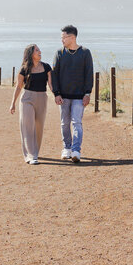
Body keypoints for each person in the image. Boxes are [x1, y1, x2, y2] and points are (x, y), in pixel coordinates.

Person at [51, 24, 93, 163]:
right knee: (64, 123)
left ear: (72, 37)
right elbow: (54, 75)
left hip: (79, 96)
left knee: (77, 122)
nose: (62, 40)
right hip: (63, 96)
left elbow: (89, 74)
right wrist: (56, 93)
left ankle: (76, 150)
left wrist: (88, 93)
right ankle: (66, 148)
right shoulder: (59, 53)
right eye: (61, 37)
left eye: (64, 37)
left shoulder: (85, 52)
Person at [9, 43, 52, 164]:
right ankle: (30, 155)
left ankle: (35, 152)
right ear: (31, 54)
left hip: (42, 98)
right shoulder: (24, 69)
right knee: (28, 127)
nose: (40, 52)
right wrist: (13, 103)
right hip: (27, 98)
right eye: (37, 50)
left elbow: (51, 84)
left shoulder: (47, 67)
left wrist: (57, 95)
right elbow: (18, 87)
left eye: (39, 49)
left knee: (39, 127)